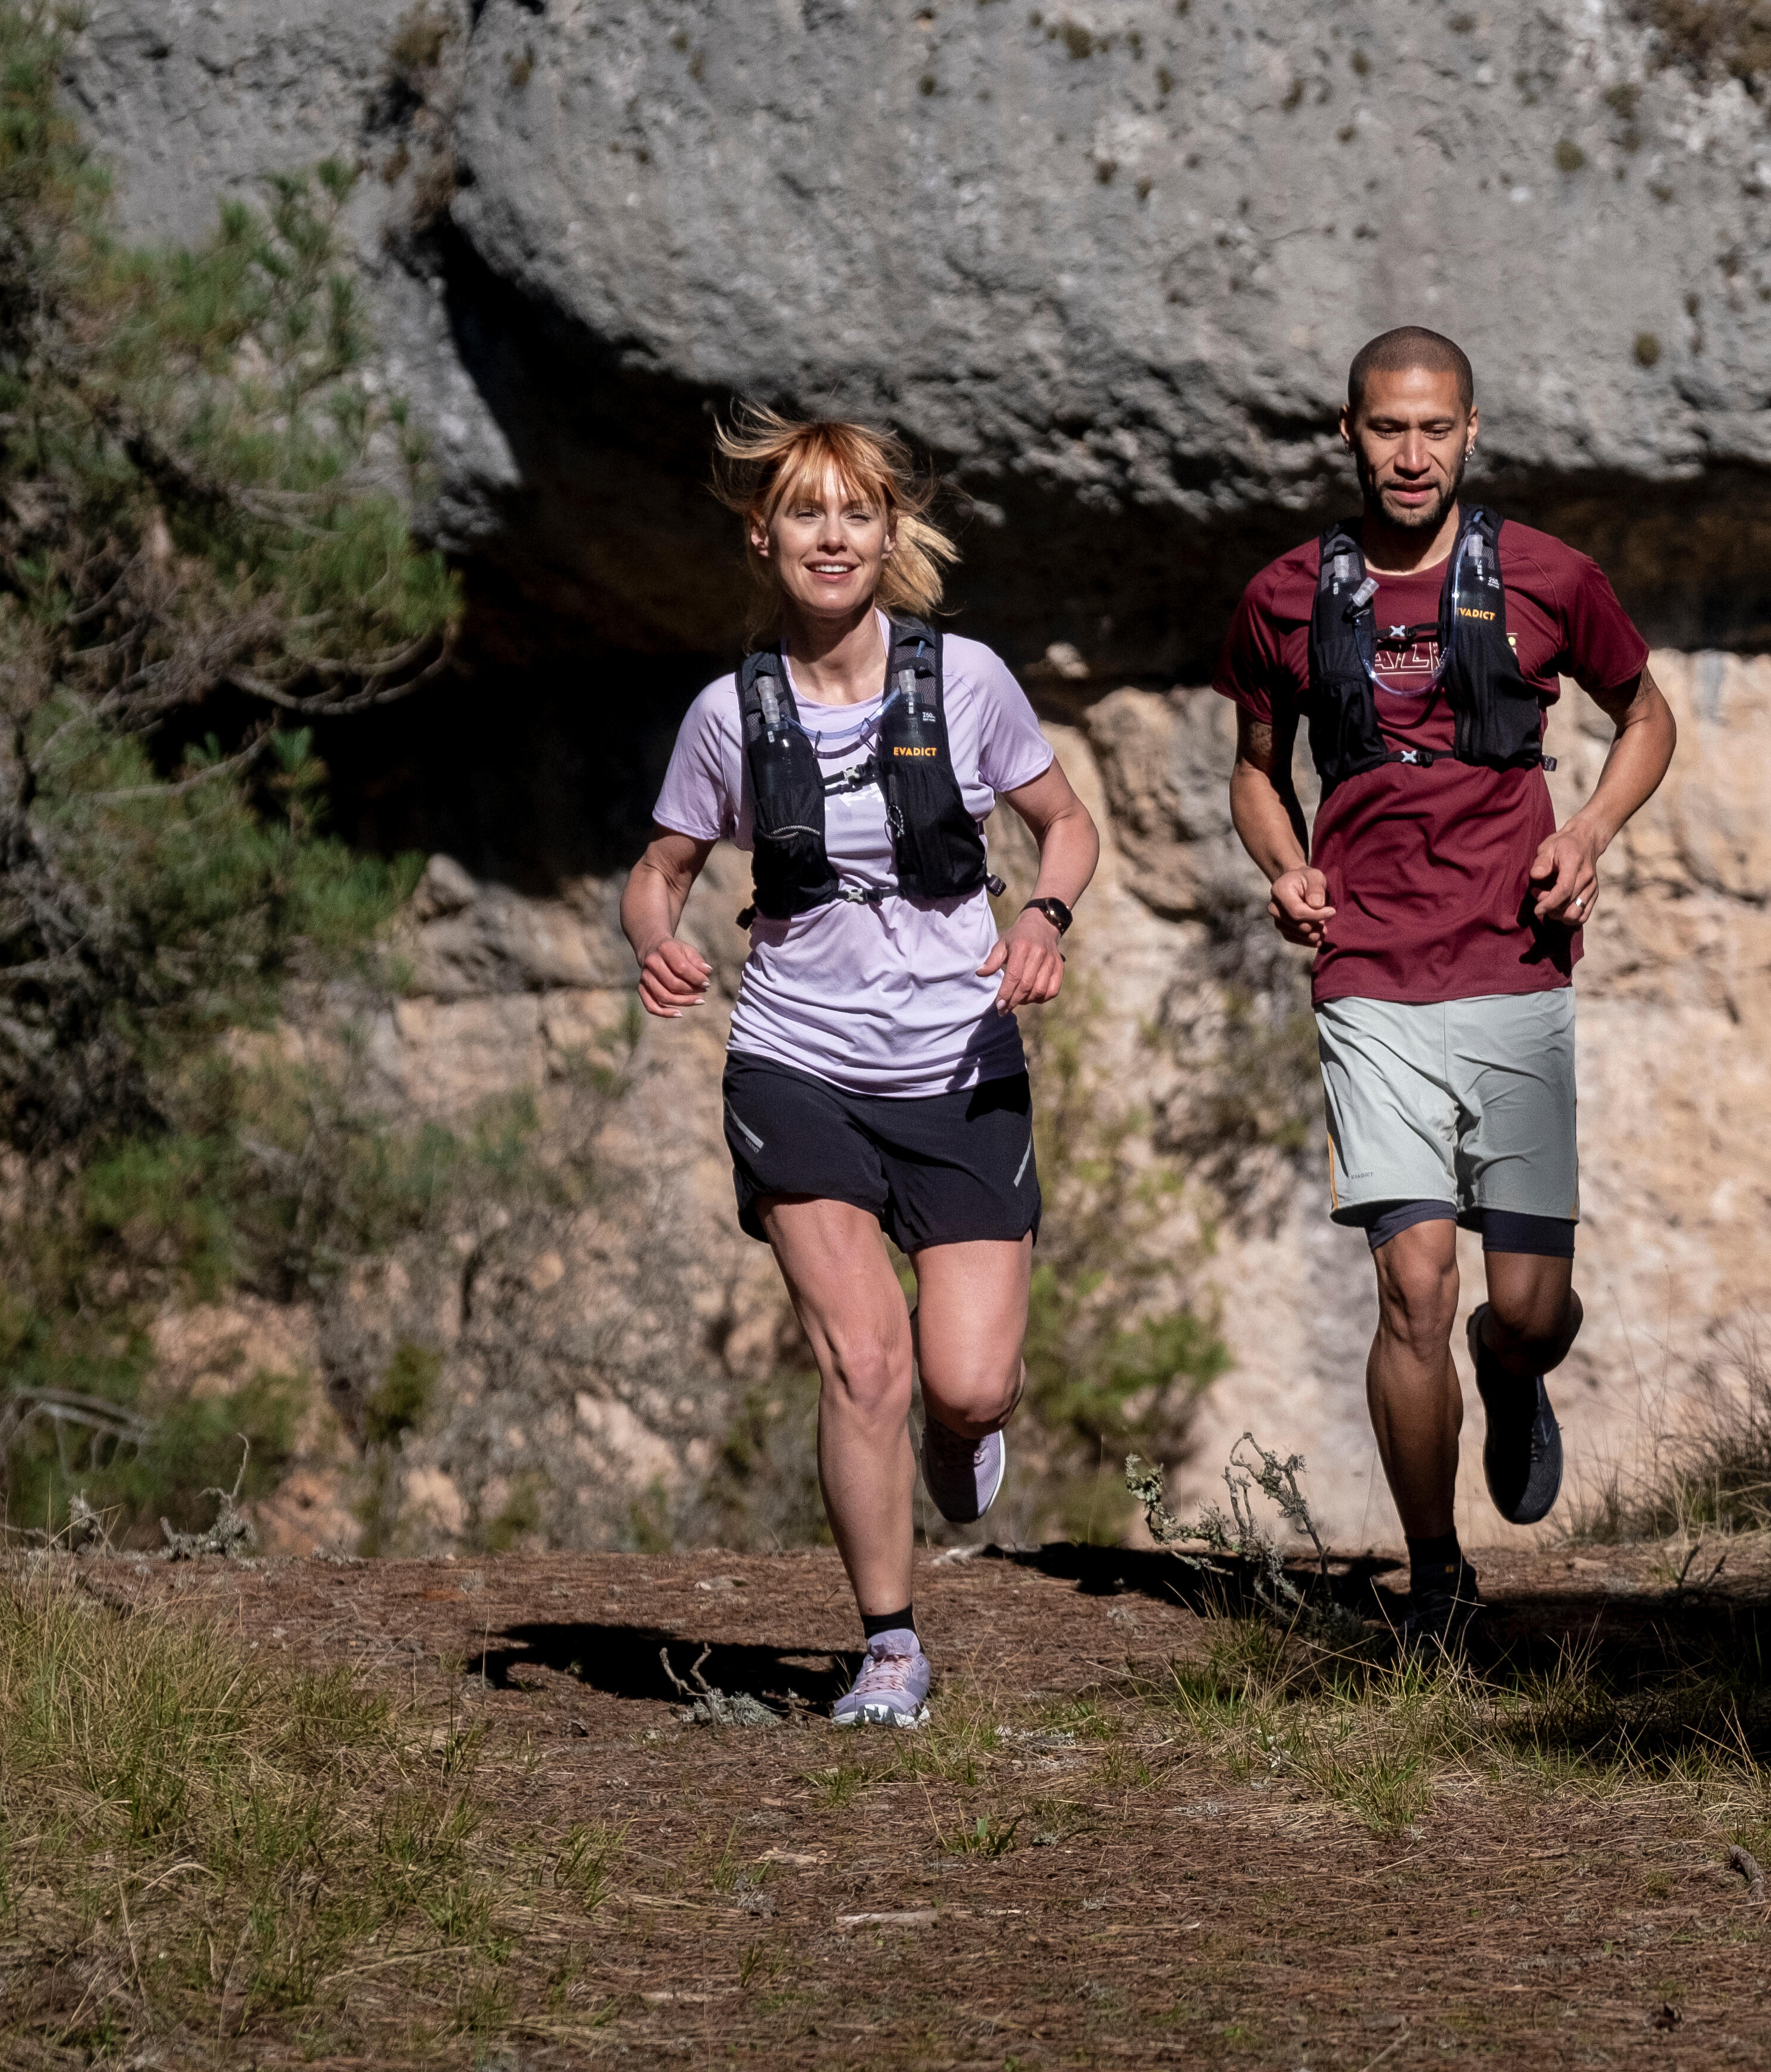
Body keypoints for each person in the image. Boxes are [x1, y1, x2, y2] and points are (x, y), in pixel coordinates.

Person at [623, 410, 1100, 1728]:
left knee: (963, 1382)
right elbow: (659, 875)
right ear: (763, 536)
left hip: (957, 1060)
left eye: (856, 513)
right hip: (796, 1064)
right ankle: (889, 1645)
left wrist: (1042, 919)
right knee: (864, 1366)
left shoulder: (969, 683)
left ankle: (966, 1431)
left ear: (890, 534)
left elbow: (1065, 826)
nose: (832, 536)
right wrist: (660, 944)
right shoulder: (730, 715)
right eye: (806, 513)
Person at [1214, 326, 1678, 1646]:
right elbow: (1256, 764)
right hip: (1368, 975)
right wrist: (1284, 861)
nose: (1409, 455)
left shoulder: (1547, 575)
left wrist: (1585, 831)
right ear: (1345, 433)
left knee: (1520, 1309)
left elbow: (1648, 714)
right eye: (1385, 428)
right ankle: (1437, 1581)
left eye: (1434, 428)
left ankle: (1512, 1370)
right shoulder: (1281, 599)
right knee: (1411, 1282)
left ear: (1472, 429)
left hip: (1514, 962)